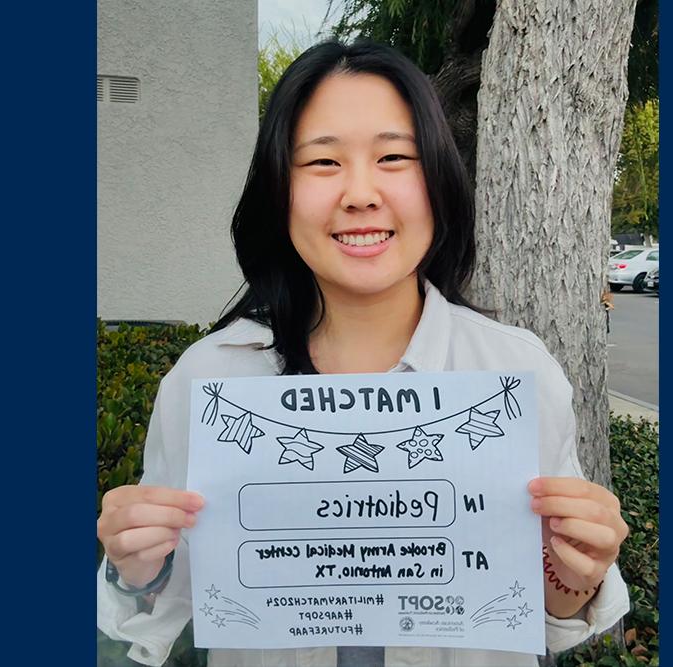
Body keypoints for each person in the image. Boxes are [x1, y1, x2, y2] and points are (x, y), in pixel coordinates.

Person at [97, 40, 630, 667]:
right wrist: (135, 569)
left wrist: (577, 572)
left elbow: (550, 611)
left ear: (437, 179)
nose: (360, 193)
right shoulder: (209, 380)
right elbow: (164, 603)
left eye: (394, 157)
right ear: (279, 188)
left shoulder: (516, 375)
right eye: (322, 162)